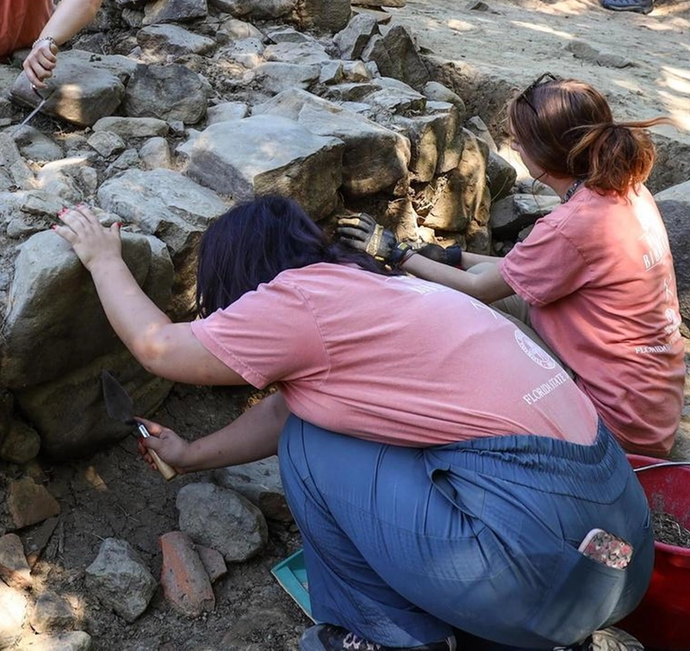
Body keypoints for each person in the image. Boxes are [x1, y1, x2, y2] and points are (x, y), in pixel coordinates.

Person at [54, 196, 652, 651]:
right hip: (621, 559)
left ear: (240, 275)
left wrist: (104, 259)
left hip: (536, 572)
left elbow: (159, 348)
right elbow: (291, 403)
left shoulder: (294, 299)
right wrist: (190, 454)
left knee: (310, 445)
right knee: (320, 425)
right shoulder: (384, 292)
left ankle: (380, 637)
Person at [338, 75, 683, 458]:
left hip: (612, 427)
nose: (514, 145)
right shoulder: (626, 191)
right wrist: (455, 256)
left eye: (520, 139)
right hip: (648, 411)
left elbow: (479, 290)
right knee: (470, 287)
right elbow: (525, 268)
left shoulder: (573, 226)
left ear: (548, 151)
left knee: (461, 312)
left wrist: (399, 253)